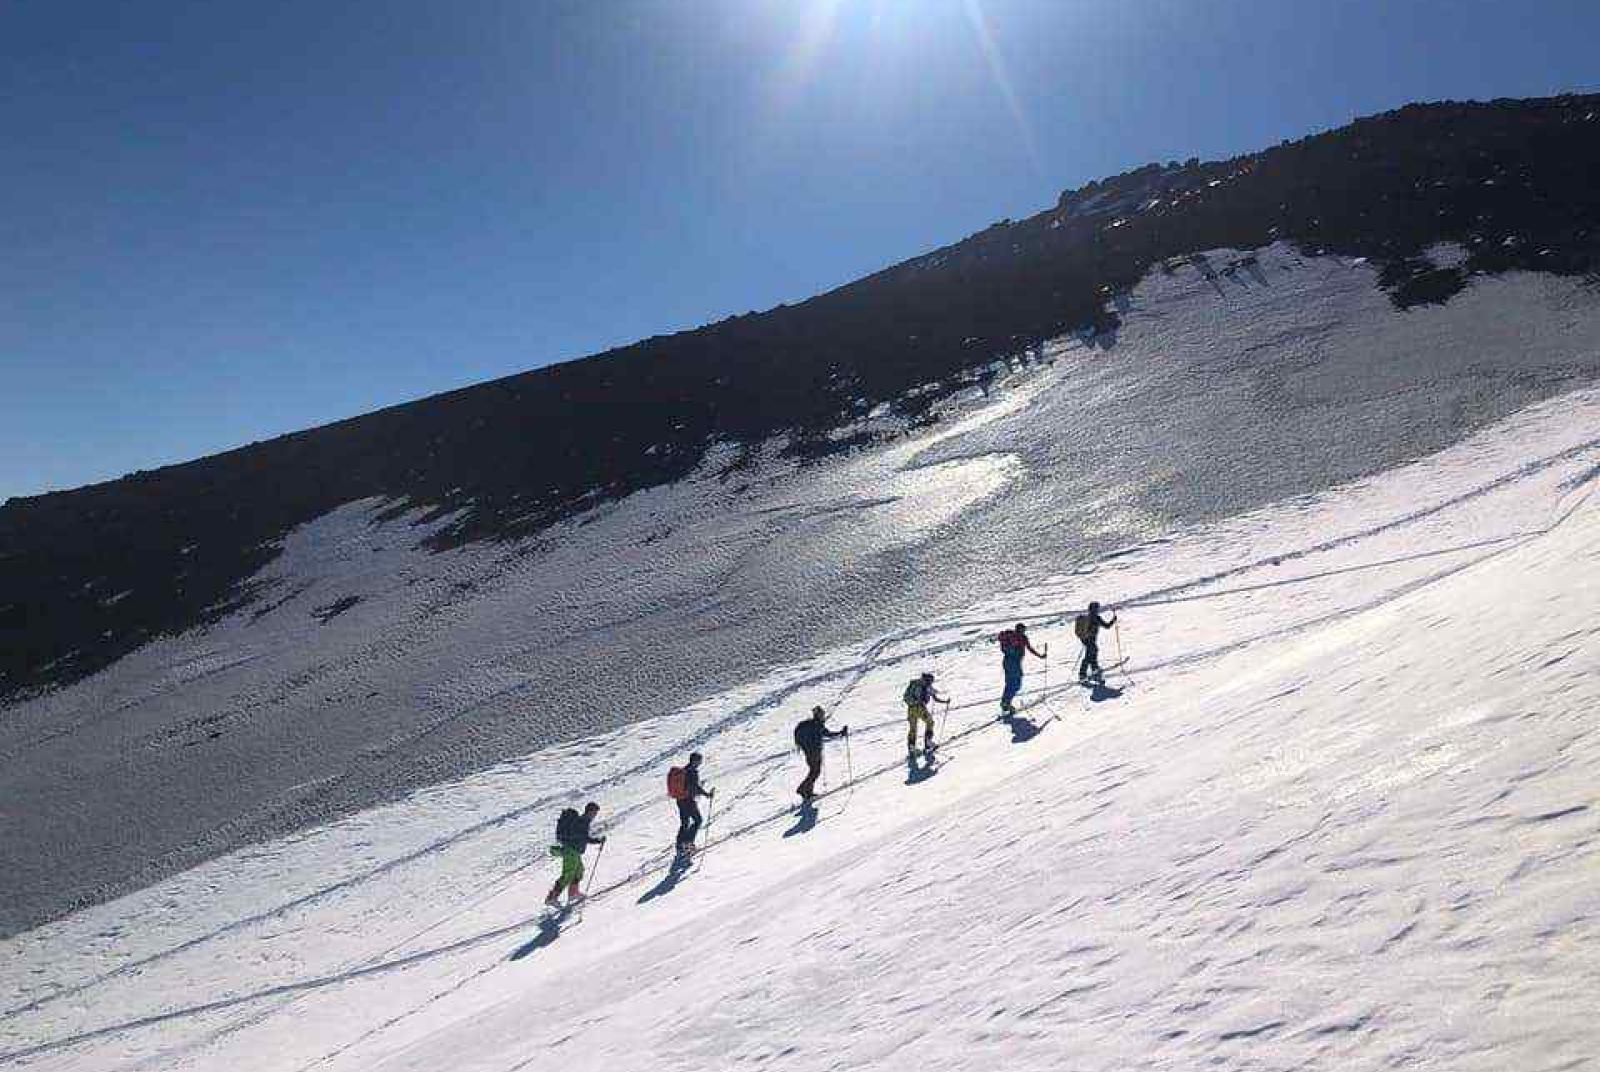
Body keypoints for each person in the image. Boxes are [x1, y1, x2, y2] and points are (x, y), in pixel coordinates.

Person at [545, 801, 606, 908]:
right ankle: (552, 898)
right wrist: (598, 841)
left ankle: (573, 893)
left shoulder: (583, 820)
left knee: (579, 871)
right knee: (568, 874)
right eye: (594, 813)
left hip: (575, 852)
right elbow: (584, 837)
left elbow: (582, 837)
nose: (595, 816)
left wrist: (596, 840)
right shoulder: (583, 821)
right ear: (590, 811)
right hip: (571, 851)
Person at [793, 705, 848, 802]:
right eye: (822, 714)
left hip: (809, 752)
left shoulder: (808, 724)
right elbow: (829, 734)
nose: (823, 716)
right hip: (814, 752)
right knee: (815, 772)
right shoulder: (817, 725)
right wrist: (841, 733)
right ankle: (802, 789)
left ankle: (808, 792)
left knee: (814, 771)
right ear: (819, 715)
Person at [668, 752, 715, 856]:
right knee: (698, 820)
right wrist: (707, 794)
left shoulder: (684, 770)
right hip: (688, 800)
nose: (700, 763)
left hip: (680, 799)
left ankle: (680, 844)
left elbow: (689, 785)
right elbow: (694, 787)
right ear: (695, 761)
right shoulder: (692, 772)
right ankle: (688, 843)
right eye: (699, 760)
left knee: (685, 822)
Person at [996, 622, 1046, 716]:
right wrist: (1040, 656)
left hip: (1006, 661)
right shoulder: (1022, 638)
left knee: (1009, 683)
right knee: (1016, 684)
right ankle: (1006, 703)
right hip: (1014, 663)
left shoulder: (1011, 636)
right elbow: (1030, 649)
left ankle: (1005, 703)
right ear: (1021, 629)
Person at [1074, 601, 1118, 684]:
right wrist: (1113, 620)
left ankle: (1094, 669)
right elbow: (1107, 626)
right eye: (1097, 608)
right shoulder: (1097, 618)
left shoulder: (1087, 617)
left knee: (1093, 652)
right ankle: (1082, 674)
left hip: (1085, 639)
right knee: (1089, 655)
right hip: (1090, 639)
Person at [903, 672, 948, 753]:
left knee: (913, 728)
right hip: (920, 708)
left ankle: (911, 747)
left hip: (910, 708)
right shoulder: (927, 686)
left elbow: (906, 697)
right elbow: (935, 698)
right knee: (930, 722)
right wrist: (945, 702)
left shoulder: (914, 684)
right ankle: (928, 744)